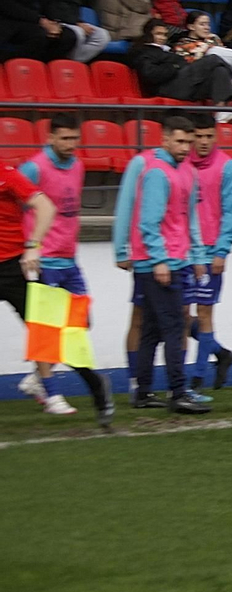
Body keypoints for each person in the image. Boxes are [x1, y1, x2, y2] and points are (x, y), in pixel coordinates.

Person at [11, 114, 114, 423]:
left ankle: (37, 378)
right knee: (47, 328)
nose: (70, 144)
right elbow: (16, 206)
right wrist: (30, 245)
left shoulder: (78, 165)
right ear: (51, 138)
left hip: (69, 259)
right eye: (65, 138)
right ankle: (52, 393)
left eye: (74, 138)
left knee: (80, 323)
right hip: (44, 261)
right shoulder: (35, 168)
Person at [111, 114, 211, 413]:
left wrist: (194, 256)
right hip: (162, 262)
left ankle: (142, 392)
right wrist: (160, 260)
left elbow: (184, 218)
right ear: (165, 140)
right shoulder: (157, 173)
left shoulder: (182, 171)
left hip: (166, 260)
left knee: (152, 330)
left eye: (188, 142)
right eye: (179, 141)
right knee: (173, 327)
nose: (185, 147)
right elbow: (148, 222)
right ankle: (178, 392)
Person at [182, 114, 232, 391]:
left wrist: (221, 251)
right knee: (180, 316)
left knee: (204, 313)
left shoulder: (227, 167)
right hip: (181, 251)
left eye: (209, 136)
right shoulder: (180, 164)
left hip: (209, 252)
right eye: (199, 136)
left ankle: (197, 378)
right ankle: (221, 353)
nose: (204, 142)